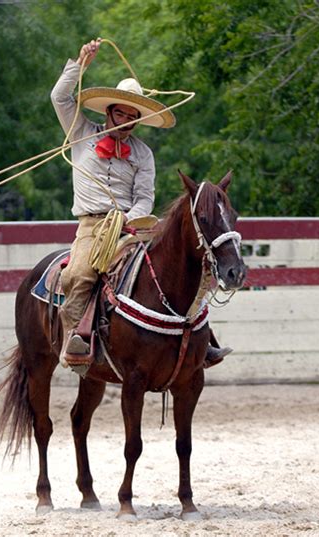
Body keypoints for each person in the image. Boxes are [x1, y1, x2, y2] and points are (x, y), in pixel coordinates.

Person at [51, 38, 231, 368]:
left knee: (185, 262)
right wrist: (80, 65)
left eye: (134, 117)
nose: (128, 121)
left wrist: (126, 219)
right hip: (92, 226)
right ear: (109, 112)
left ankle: (202, 339)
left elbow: (144, 198)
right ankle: (74, 338)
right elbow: (59, 98)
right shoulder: (80, 133)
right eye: (122, 114)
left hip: (133, 225)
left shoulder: (143, 154)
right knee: (79, 273)